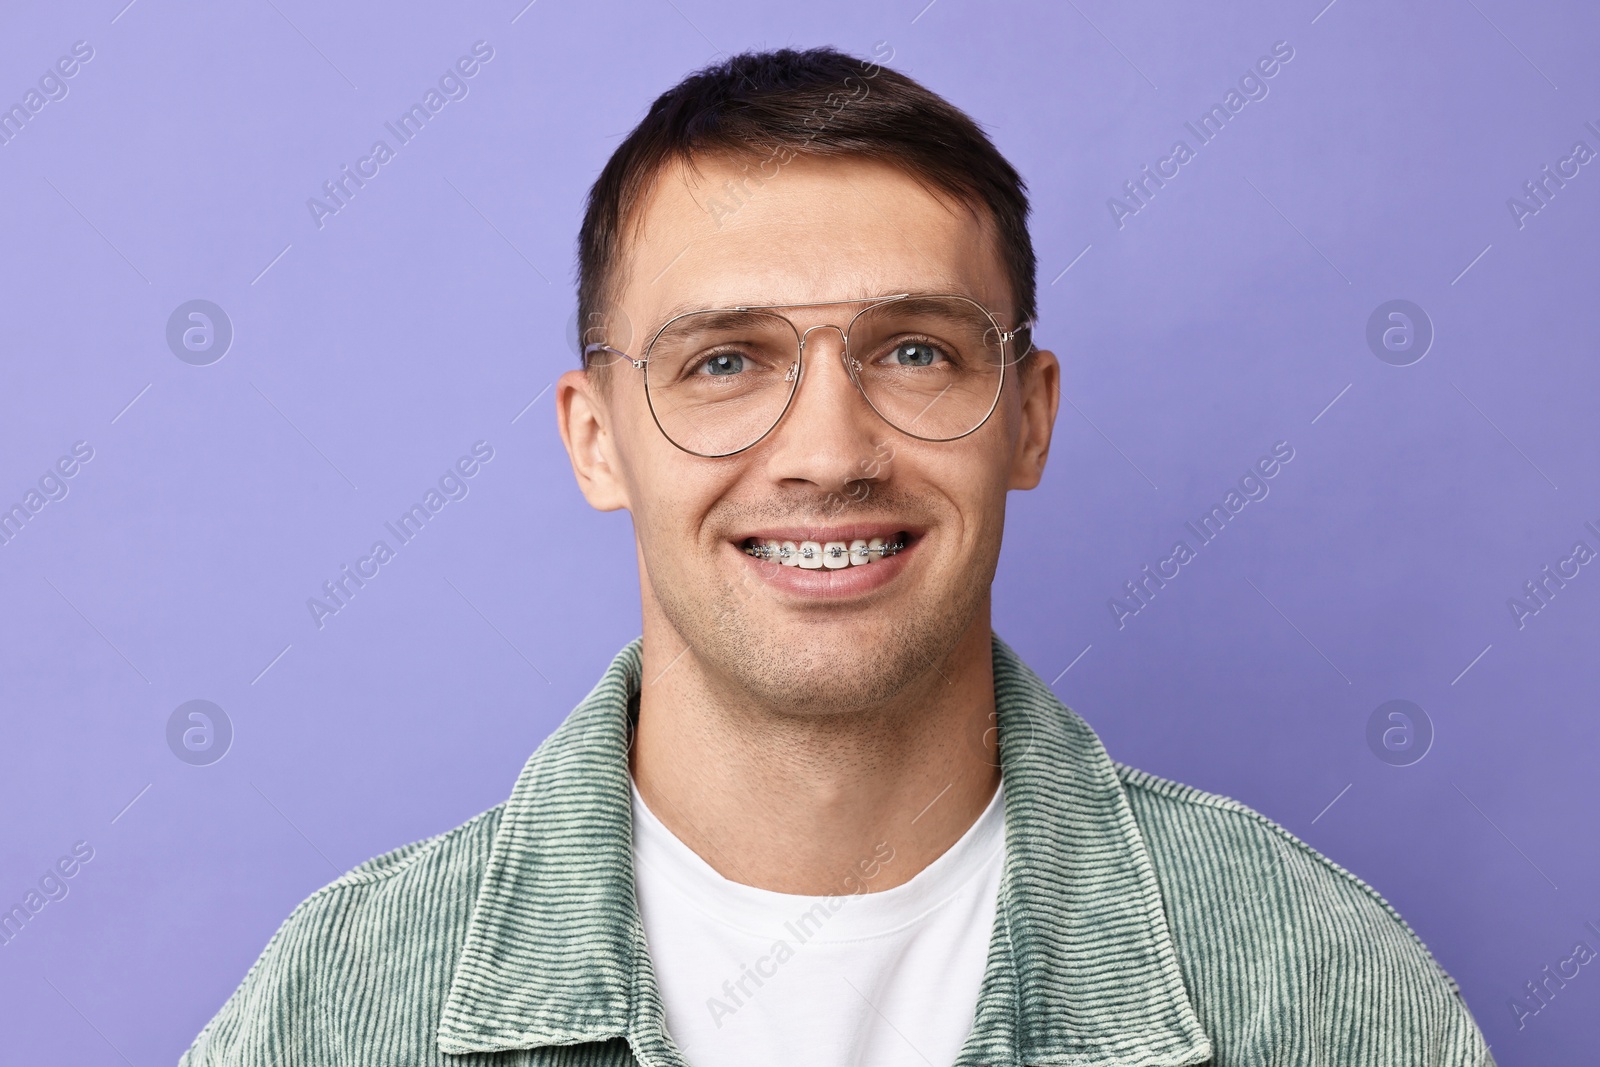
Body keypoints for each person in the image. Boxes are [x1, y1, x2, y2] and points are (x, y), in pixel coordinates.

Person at [179, 46, 1493, 1067]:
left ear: (1028, 416)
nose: (828, 451)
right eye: (725, 361)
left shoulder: (1311, 987)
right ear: (595, 443)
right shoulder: (342, 1009)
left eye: (914, 350)